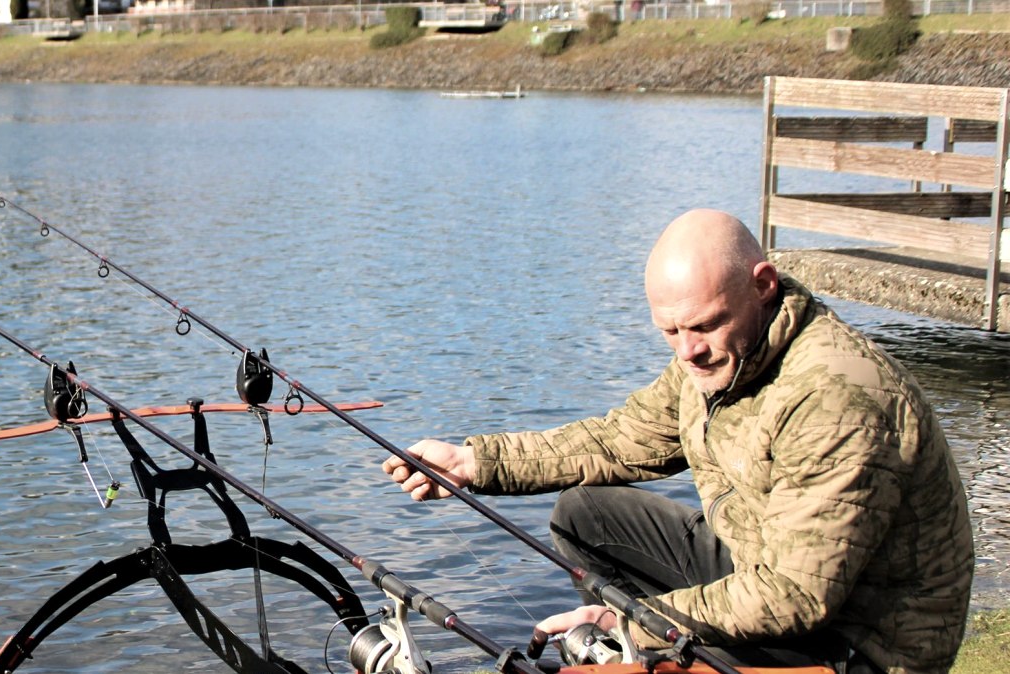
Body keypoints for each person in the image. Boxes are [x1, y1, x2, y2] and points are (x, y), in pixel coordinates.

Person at [383, 209, 972, 674]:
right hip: (765, 564)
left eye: (703, 325)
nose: (687, 350)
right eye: (669, 331)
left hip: (862, 641)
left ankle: (656, 657)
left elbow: (795, 596)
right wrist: (472, 461)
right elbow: (617, 440)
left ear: (762, 285)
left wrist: (637, 624)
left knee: (639, 632)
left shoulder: (833, 398)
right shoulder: (719, 359)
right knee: (584, 515)